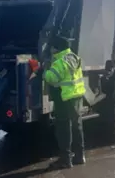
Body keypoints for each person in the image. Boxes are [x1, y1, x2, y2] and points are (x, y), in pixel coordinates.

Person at [31, 35, 86, 169]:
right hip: (77, 96)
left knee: (63, 128)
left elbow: (51, 78)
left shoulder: (60, 62)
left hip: (64, 99)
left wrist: (42, 71)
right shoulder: (73, 57)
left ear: (56, 49)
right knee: (77, 125)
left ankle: (65, 159)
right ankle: (80, 156)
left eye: (52, 48)